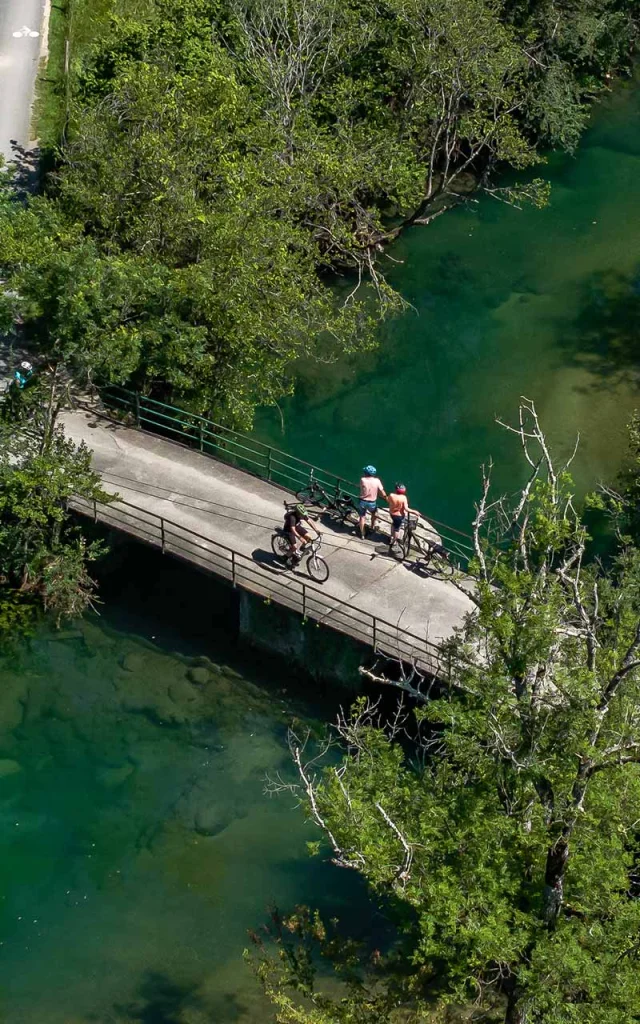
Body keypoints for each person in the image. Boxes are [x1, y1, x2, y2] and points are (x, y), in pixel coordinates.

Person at [358, 465, 387, 539]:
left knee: (362, 517)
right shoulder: (377, 480)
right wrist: (386, 498)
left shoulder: (362, 479)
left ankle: (362, 534)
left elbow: (361, 488)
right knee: (374, 514)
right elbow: (382, 491)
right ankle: (372, 527)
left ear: (366, 473)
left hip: (362, 501)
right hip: (372, 502)